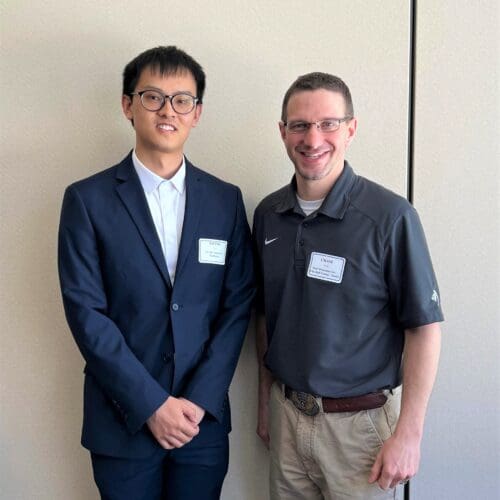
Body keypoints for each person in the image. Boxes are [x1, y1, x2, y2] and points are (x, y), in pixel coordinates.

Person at [58, 46, 254, 500]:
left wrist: (198, 402)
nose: (168, 110)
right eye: (152, 97)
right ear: (128, 105)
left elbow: (237, 305)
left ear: (197, 113)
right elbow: (86, 313)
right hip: (121, 421)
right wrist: (150, 405)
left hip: (200, 426)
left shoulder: (225, 201)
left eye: (182, 99)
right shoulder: (88, 200)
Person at [253, 72, 443, 500]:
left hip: (360, 431)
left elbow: (424, 329)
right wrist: (265, 401)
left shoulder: (390, 217)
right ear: (283, 132)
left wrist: (409, 435)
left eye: (328, 124)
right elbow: (265, 315)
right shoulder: (268, 216)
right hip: (287, 416)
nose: (312, 138)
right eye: (299, 125)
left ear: (351, 129)